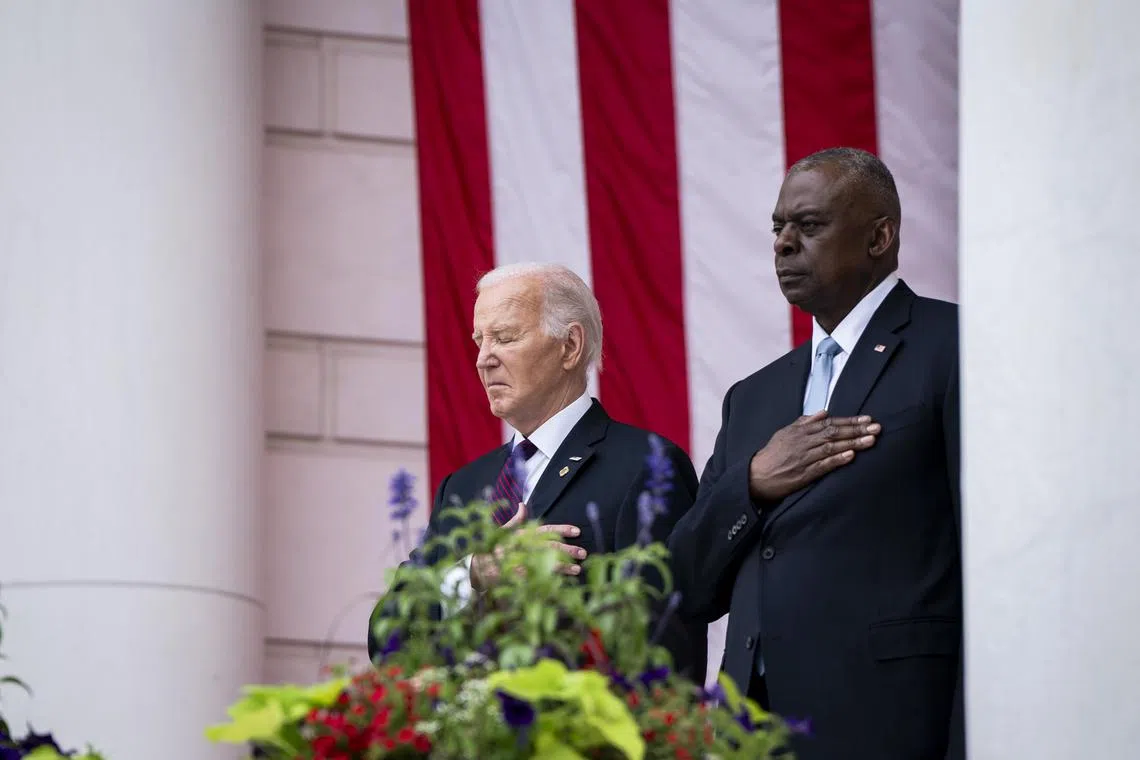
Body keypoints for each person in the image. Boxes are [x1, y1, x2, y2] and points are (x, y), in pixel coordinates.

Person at [668, 148, 961, 759]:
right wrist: (752, 480)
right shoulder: (753, 396)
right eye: (778, 227)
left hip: (891, 720)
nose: (784, 244)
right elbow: (691, 584)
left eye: (809, 224)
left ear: (880, 236)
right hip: (752, 729)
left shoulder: (953, 347)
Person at [369, 262, 706, 682]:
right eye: (479, 341)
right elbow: (386, 641)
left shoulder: (644, 467)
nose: (483, 359)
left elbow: (665, 657)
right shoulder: (464, 486)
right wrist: (476, 572)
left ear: (570, 346)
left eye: (504, 338)